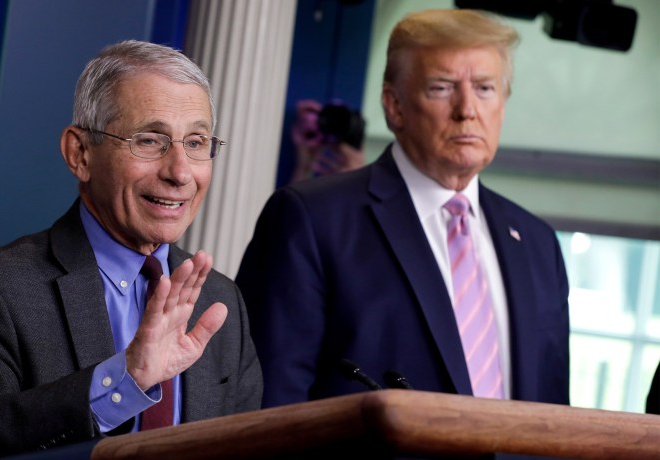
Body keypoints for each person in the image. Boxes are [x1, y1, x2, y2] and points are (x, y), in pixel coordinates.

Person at [0, 40, 263, 460]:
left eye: (195, 142)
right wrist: (123, 380)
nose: (180, 172)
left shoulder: (221, 300)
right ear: (80, 154)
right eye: (151, 140)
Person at [236, 8, 570, 417]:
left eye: (484, 88)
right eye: (442, 88)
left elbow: (553, 414)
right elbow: (268, 408)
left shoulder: (537, 242)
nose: (467, 110)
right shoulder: (311, 220)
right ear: (394, 106)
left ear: (503, 102)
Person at [289, 99, 366, 182]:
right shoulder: (309, 154)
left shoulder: (354, 167)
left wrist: (356, 178)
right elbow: (291, 194)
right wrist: (303, 168)